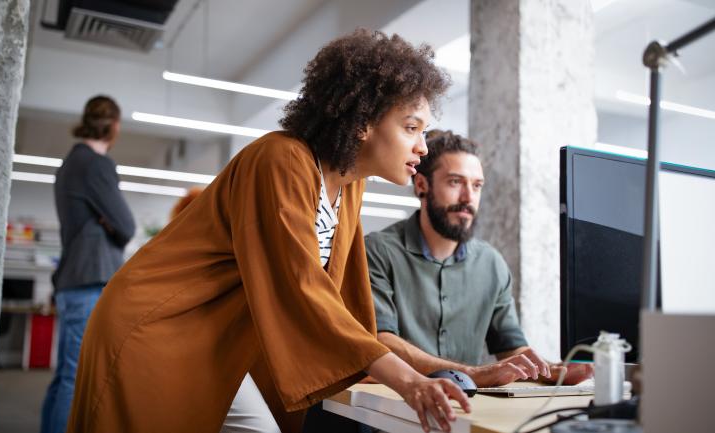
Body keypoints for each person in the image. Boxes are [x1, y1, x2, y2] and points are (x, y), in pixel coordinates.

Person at [67, 30, 470, 433]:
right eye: (411, 127)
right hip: (159, 326)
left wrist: (438, 372)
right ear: (363, 122)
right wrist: (405, 379)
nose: (422, 146)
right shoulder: (282, 160)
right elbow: (300, 282)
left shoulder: (349, 186)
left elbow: (342, 298)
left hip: (215, 338)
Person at [365, 131, 594, 388]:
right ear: (421, 185)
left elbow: (511, 348)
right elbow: (380, 341)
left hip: (464, 408)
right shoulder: (378, 251)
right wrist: (471, 374)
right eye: (455, 182)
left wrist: (552, 370)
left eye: (476, 186)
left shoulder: (491, 264)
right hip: (392, 406)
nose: (468, 198)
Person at [40, 96, 135, 433]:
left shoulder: (70, 163)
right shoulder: (97, 165)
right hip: (89, 281)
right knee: (76, 375)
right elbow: (126, 226)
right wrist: (107, 223)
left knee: (65, 374)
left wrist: (103, 220)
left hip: (71, 281)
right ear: (113, 125)